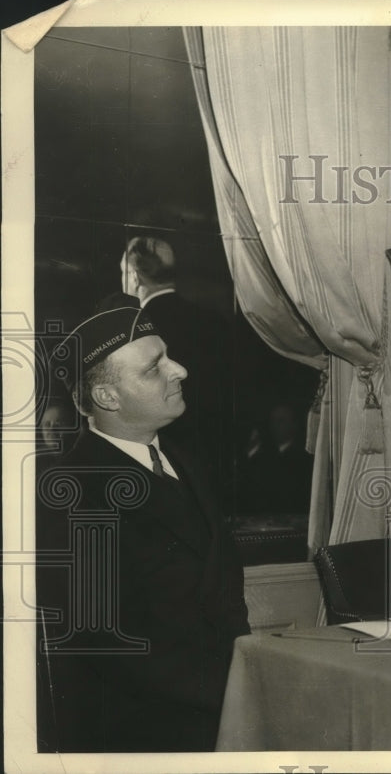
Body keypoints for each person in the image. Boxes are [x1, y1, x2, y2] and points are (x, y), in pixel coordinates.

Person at [36, 307, 250, 752]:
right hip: (145, 734)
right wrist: (231, 694)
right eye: (155, 368)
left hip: (222, 710)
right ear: (108, 397)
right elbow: (109, 644)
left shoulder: (187, 460)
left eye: (167, 356)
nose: (180, 370)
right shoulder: (71, 492)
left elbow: (222, 590)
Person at [121, 235, 234, 515]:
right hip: (216, 458)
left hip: (161, 462)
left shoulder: (135, 329)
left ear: (134, 277)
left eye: (122, 272)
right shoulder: (215, 322)